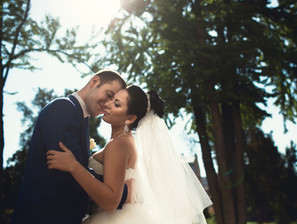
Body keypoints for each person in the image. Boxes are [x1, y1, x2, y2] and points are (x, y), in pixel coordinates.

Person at [46, 85, 213, 224]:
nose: (109, 104)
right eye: (112, 99)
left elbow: (111, 201)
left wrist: (74, 166)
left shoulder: (118, 144)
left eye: (117, 104)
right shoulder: (125, 142)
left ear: (130, 118)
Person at [10, 70, 128, 224]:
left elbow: (76, 166)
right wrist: (119, 191)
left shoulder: (82, 121)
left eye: (114, 102)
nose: (107, 104)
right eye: (109, 94)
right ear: (94, 82)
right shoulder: (63, 108)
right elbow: (67, 174)